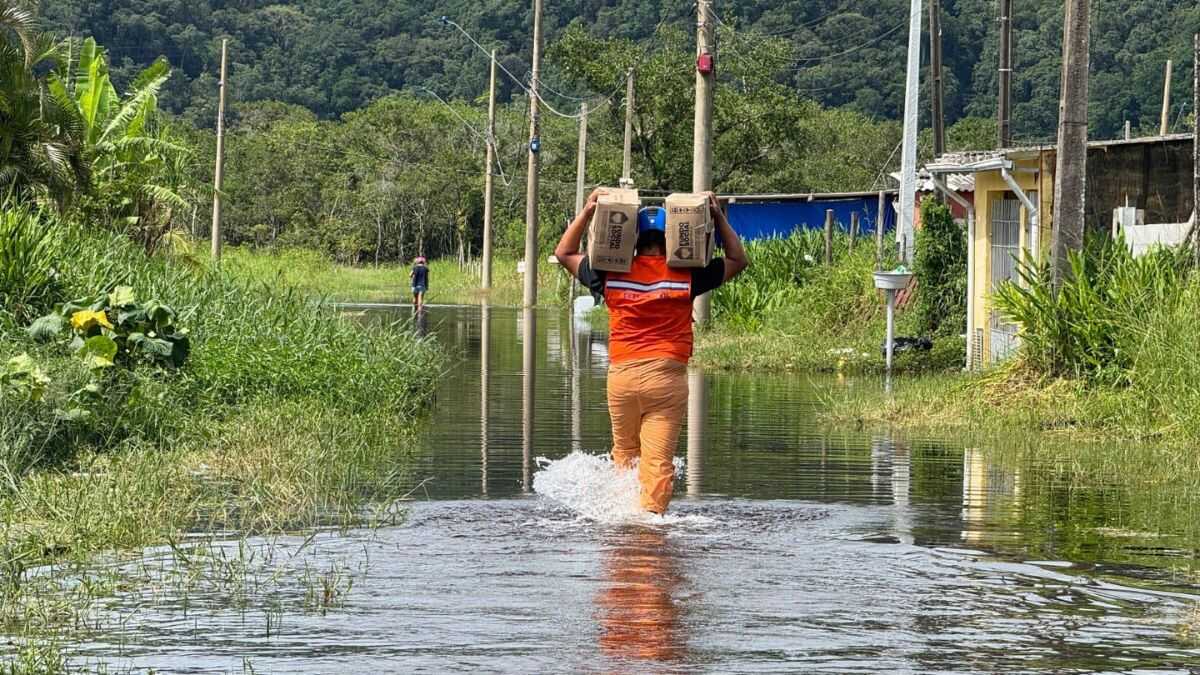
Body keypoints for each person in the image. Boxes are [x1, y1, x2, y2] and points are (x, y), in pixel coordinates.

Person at [555, 190, 749, 514]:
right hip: (666, 381)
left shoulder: (610, 274)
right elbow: (738, 260)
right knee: (657, 465)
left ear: (633, 239)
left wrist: (589, 211)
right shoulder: (688, 275)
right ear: (671, 238)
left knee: (625, 454)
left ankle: (620, 521)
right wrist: (716, 217)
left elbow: (564, 253)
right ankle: (650, 527)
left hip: (622, 378)